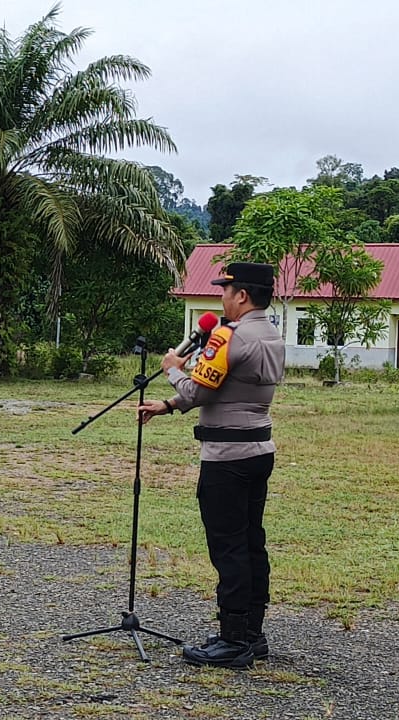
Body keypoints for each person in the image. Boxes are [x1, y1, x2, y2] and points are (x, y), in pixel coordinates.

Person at [138, 262, 285, 669]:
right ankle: (252, 634)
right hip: (259, 450)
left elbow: (201, 390)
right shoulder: (271, 333)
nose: (221, 297)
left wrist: (171, 371)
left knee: (229, 548)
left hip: (226, 458)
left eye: (225, 289)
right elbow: (228, 391)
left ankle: (232, 640)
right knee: (252, 542)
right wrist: (168, 407)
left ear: (241, 295)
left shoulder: (228, 336)